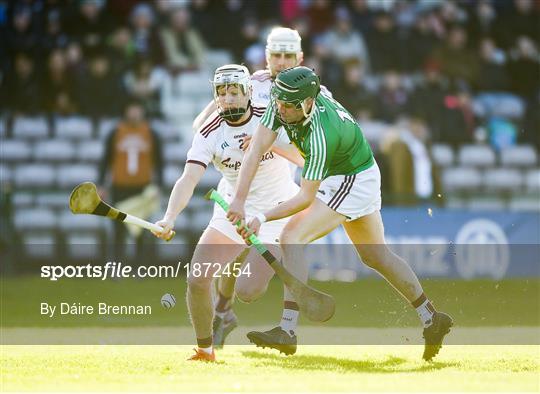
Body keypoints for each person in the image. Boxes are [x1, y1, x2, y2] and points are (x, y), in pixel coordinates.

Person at [227, 66, 453, 361]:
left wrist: (262, 218)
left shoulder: (322, 132)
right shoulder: (282, 102)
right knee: (375, 255)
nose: (281, 110)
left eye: (288, 106)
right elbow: (256, 149)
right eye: (278, 103)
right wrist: (239, 202)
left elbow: (305, 197)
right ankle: (432, 318)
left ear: (308, 103)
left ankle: (287, 330)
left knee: (291, 236)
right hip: (351, 169)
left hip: (351, 177)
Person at [152, 64, 303, 362]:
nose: (228, 98)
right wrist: (169, 217)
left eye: (234, 92)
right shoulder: (209, 131)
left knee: (248, 291)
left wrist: (263, 145)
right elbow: (188, 179)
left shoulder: (270, 117)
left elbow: (302, 157)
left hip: (275, 212)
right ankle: (205, 350)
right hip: (233, 207)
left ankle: (246, 273)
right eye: (222, 93)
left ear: (247, 92)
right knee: (197, 279)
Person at [190, 27, 310, 349]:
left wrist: (262, 144)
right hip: (237, 188)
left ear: (300, 57)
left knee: (255, 277)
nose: (282, 62)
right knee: (230, 253)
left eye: (288, 56)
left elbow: (308, 151)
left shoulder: (315, 92)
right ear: (266, 56)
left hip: (276, 186)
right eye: (276, 55)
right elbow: (201, 125)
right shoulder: (249, 83)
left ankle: (279, 324)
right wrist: (232, 116)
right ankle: (223, 312)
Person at [98, 100, 163, 263]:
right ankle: (117, 266)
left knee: (141, 230)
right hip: (119, 187)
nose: (134, 113)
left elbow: (159, 162)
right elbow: (105, 160)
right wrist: (101, 184)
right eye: (131, 109)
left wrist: (158, 186)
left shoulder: (151, 133)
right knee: (118, 229)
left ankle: (140, 266)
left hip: (142, 188)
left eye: (137, 109)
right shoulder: (115, 133)